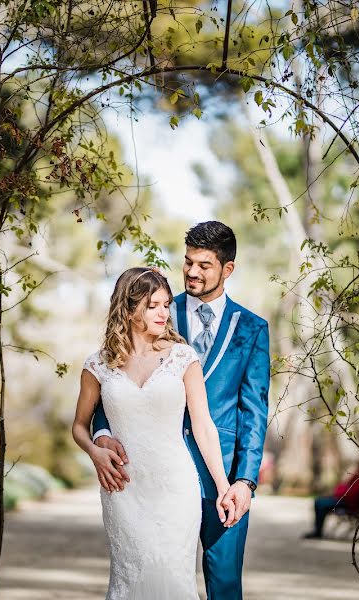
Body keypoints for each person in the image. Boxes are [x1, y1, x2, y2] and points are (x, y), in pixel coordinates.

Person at [91, 221, 271, 600]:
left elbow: (253, 409)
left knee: (224, 584)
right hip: (153, 479)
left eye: (204, 265)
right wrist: (102, 433)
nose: (191, 272)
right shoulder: (154, 310)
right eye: (188, 262)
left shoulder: (252, 329)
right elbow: (116, 378)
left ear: (228, 269)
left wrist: (244, 482)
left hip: (221, 476)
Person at [71, 266, 231, 599]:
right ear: (129, 310)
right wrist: (94, 451)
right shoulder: (98, 364)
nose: (163, 313)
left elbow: (203, 426)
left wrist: (223, 485)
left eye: (166, 304)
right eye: (152, 305)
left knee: (172, 578)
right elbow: (78, 426)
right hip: (124, 489)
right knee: (130, 580)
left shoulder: (183, 357)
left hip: (176, 489)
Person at [302, 458, 359, 540]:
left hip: (351, 503)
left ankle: (318, 532)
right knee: (319, 501)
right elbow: (347, 483)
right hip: (342, 499)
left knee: (320, 504)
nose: (358, 467)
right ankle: (317, 531)